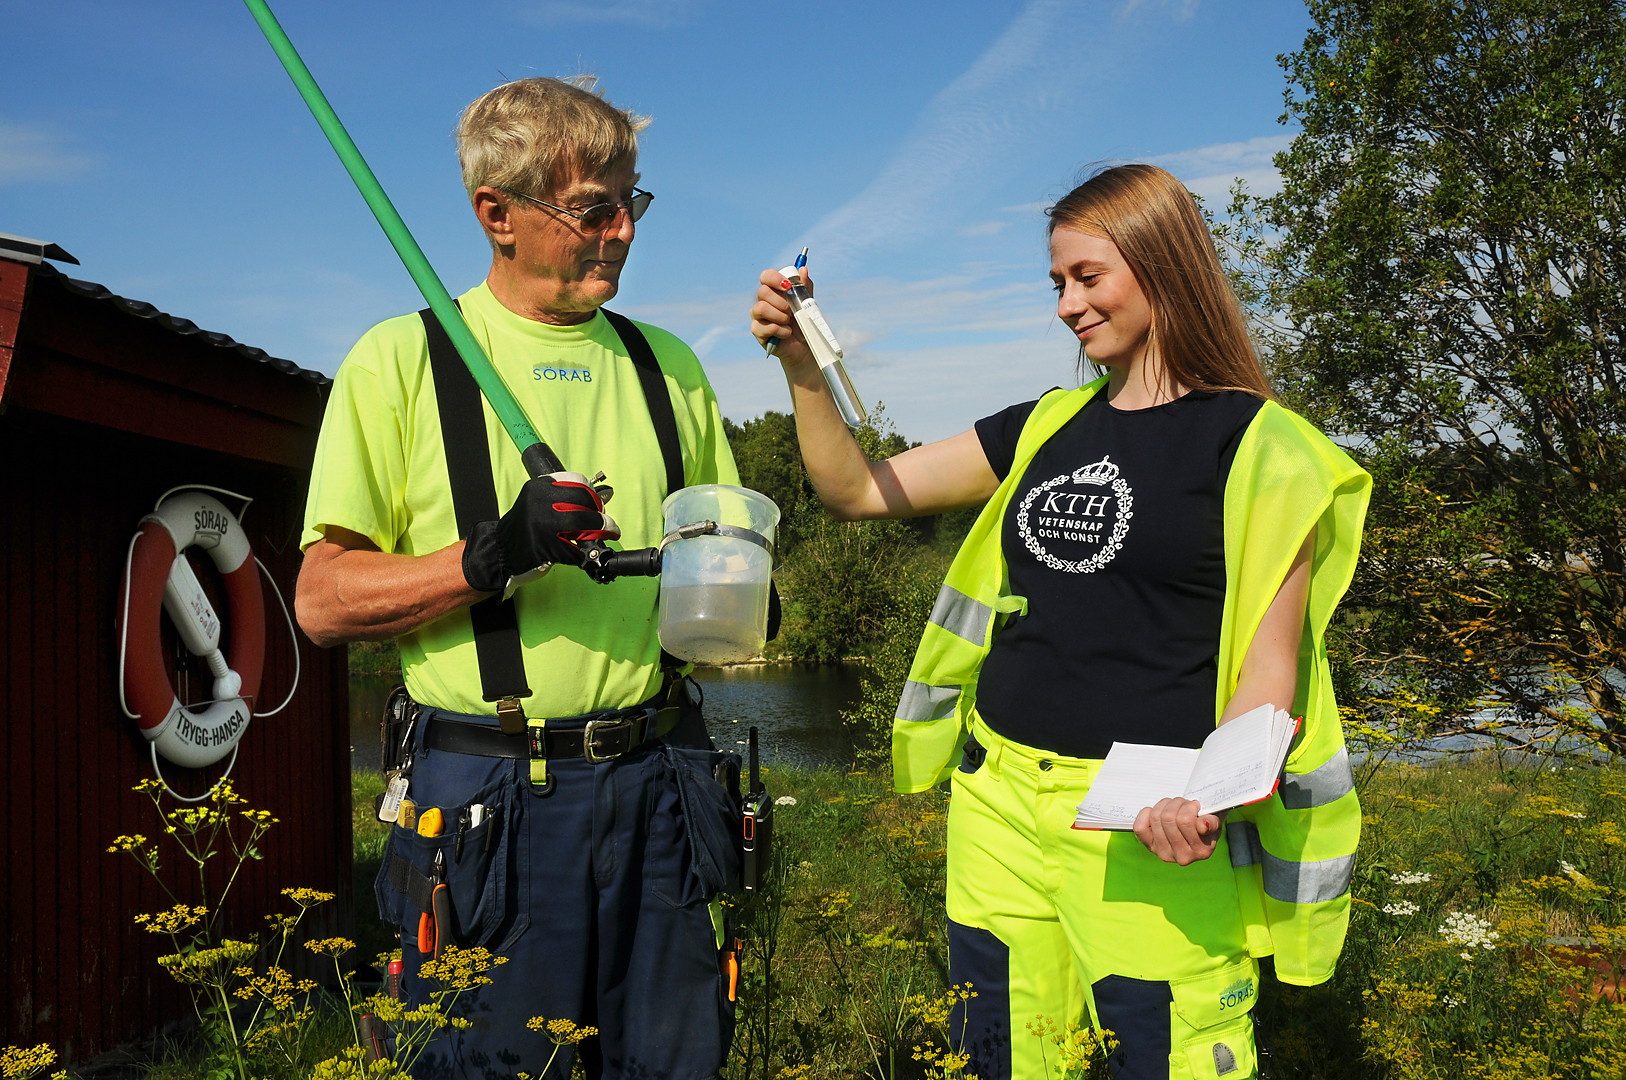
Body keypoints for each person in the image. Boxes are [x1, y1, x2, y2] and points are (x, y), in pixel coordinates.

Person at [750, 164, 1369, 1080]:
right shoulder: (1045, 425)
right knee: (1003, 1056)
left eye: (1089, 277)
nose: (1067, 306)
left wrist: (1204, 797)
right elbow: (855, 490)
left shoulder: (1265, 445)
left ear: (1164, 267)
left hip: (1147, 821)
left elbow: (1268, 670)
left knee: (1163, 1057)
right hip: (999, 799)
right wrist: (801, 368)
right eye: (1056, 283)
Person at [297, 77, 740, 1080]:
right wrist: (492, 556)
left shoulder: (669, 367)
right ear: (496, 214)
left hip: (662, 777)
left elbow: (723, 572)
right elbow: (322, 603)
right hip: (484, 797)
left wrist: (739, 585)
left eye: (636, 203)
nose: (624, 231)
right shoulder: (401, 361)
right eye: (595, 209)